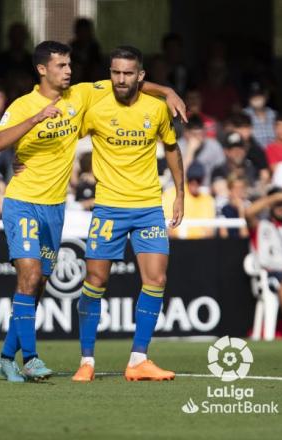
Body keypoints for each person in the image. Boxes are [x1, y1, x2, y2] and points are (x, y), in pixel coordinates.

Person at [0, 41, 185, 383]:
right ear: (42, 69)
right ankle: (40, 358)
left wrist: (167, 89)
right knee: (43, 278)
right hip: (33, 200)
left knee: (39, 283)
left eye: (69, 65)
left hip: (61, 205)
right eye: (62, 66)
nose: (69, 70)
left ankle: (7, 356)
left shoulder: (81, 96)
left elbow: (129, 82)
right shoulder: (26, 104)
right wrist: (27, 135)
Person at [72, 46, 185, 382]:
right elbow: (63, 136)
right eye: (115, 72)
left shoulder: (156, 109)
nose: (120, 79)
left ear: (140, 76)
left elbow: (172, 148)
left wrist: (180, 193)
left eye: (127, 73)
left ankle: (138, 359)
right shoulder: (94, 101)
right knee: (95, 281)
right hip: (108, 207)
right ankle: (87, 361)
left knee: (156, 280)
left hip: (149, 206)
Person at [245, 188, 282, 333]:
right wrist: (274, 198)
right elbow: (248, 212)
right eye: (279, 203)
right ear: (270, 205)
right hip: (268, 275)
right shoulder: (259, 225)